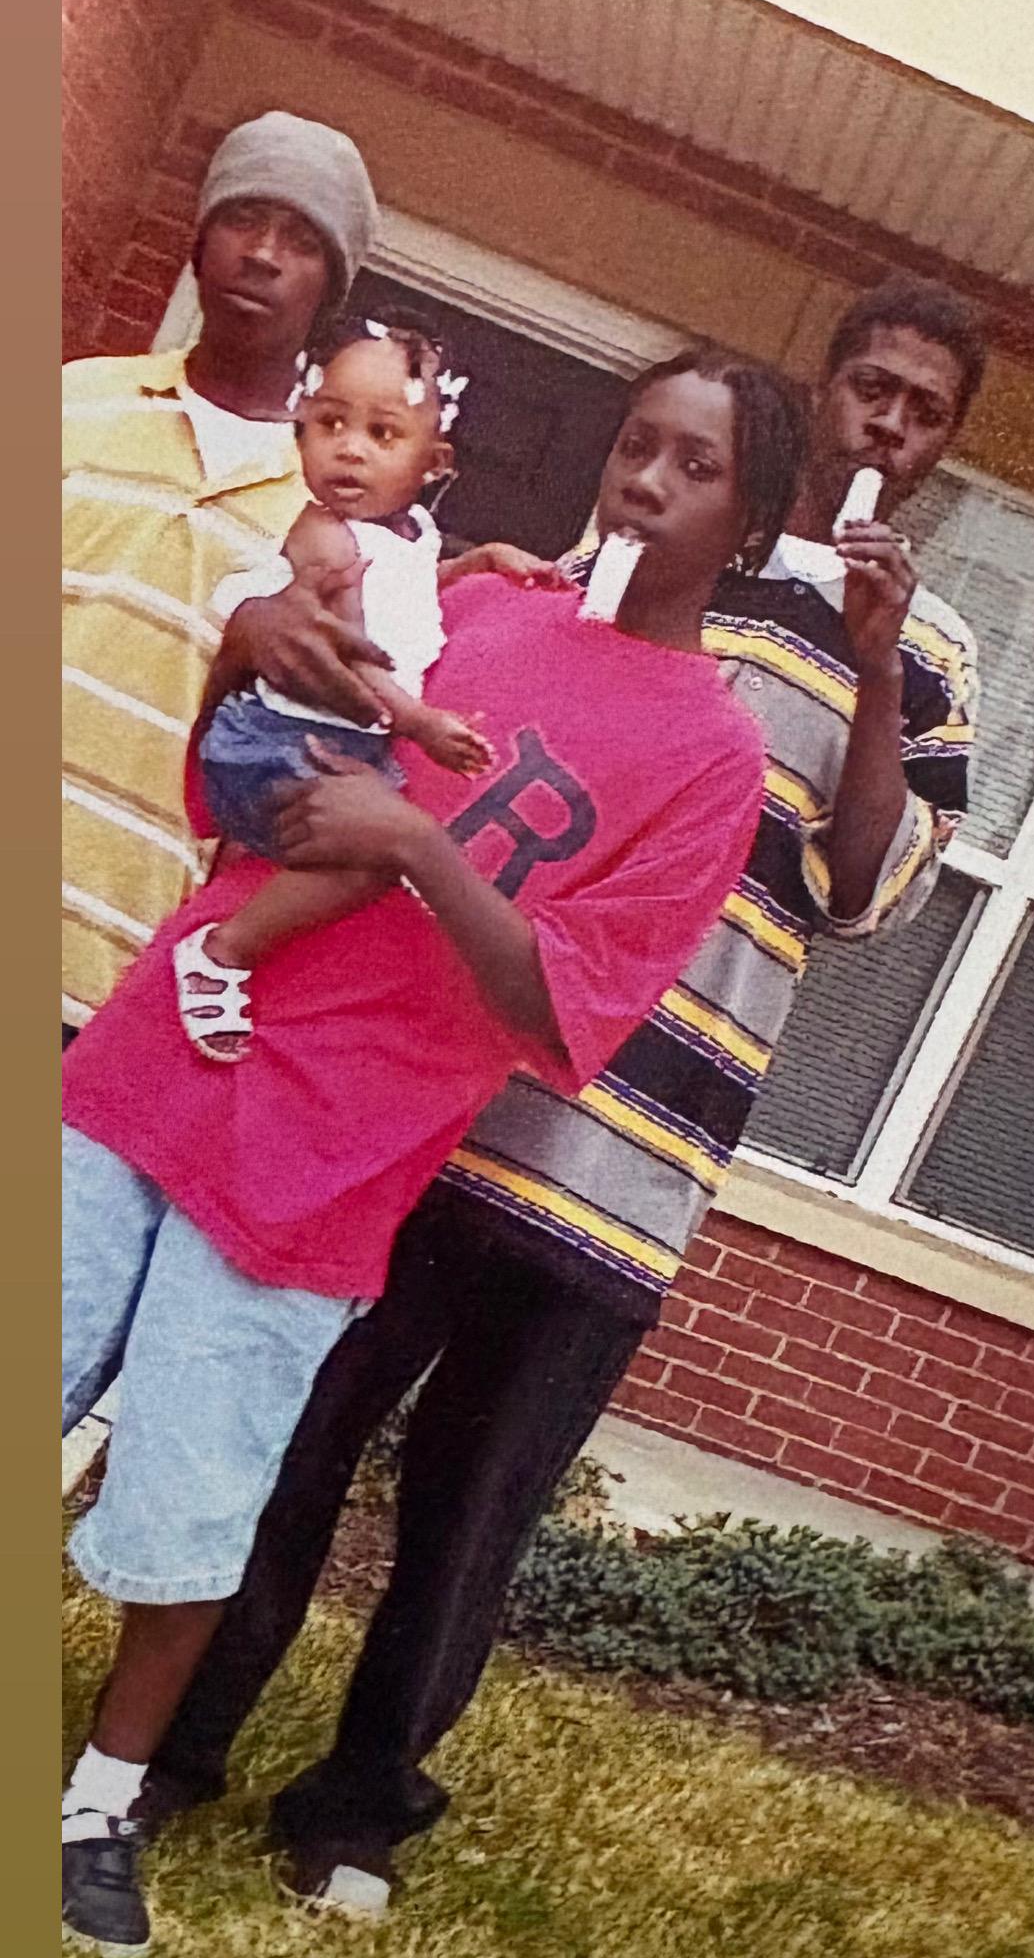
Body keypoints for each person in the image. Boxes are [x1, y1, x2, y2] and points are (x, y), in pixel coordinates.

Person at [131, 281, 987, 1929]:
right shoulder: (639, 553)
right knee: (303, 1429)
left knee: (475, 1507)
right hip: (448, 1093)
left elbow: (864, 892)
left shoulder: (930, 644)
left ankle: (362, 1809)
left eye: (922, 409)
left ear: (941, 446)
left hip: (638, 1152)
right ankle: (182, 1744)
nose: (886, 421)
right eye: (869, 385)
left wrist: (880, 671)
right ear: (820, 390)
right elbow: (487, 739)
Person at [60, 348, 807, 1955]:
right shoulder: (472, 605)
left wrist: (414, 844)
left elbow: (562, 1009)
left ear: (752, 523)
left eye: (696, 468)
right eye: (636, 445)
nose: (646, 483)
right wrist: (249, 648)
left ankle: (99, 1803)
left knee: (201, 1499)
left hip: (331, 1154)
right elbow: (241, 781)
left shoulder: (713, 760)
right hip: (162, 1059)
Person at [61, 110, 551, 1047]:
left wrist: (474, 569)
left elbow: (387, 659)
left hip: (123, 955)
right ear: (199, 237)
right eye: (244, 219)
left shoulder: (346, 503)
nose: (262, 254)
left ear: (333, 286)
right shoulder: (74, 400)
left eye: (301, 240)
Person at [174, 313, 493, 1060]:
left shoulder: (407, 536)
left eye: (382, 433)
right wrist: (418, 722)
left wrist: (481, 564)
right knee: (375, 856)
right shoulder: (320, 536)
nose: (349, 448)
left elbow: (405, 593)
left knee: (372, 849)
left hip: (326, 741)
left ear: (434, 462)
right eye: (330, 423)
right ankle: (221, 952)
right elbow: (349, 652)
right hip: (279, 740)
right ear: (301, 428)